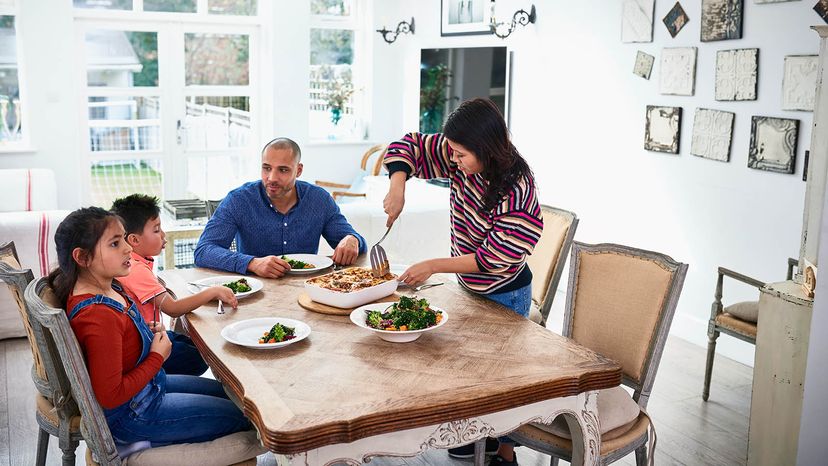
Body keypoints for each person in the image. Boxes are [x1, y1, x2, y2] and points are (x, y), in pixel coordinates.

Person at [382, 98, 544, 466]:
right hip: (470, 287)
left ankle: (504, 452)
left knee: (500, 380)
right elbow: (408, 146)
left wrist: (435, 265)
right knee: (469, 370)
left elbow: (493, 258)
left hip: (505, 292)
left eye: (460, 156)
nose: (453, 161)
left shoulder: (517, 186)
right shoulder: (460, 154)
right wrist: (398, 185)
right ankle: (476, 438)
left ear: (486, 148)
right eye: (451, 153)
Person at [47, 207, 251, 447]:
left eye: (124, 238)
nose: (128, 248)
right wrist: (157, 356)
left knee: (239, 399)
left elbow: (116, 342)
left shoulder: (108, 286)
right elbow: (110, 396)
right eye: (114, 244)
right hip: (136, 413)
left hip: (150, 388)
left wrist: (140, 331)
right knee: (244, 416)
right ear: (82, 258)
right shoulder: (98, 315)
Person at [194, 137, 366, 278]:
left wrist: (352, 239)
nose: (272, 178)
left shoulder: (319, 199)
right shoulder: (239, 200)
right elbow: (203, 251)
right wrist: (252, 263)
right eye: (266, 168)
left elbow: (353, 243)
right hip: (255, 293)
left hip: (308, 291)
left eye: (283, 170)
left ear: (298, 171)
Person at [112, 194, 238, 376]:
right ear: (134, 240)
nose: (163, 235)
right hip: (145, 346)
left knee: (198, 344)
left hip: (149, 334)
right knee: (201, 355)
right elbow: (173, 308)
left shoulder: (135, 263)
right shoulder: (135, 269)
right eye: (156, 230)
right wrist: (212, 292)